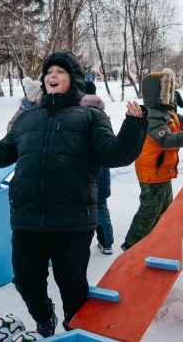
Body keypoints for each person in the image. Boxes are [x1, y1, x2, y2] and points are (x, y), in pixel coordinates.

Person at [0, 51, 148, 337]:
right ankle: (44, 314)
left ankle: (74, 329)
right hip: (28, 219)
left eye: (60, 71)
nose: (53, 75)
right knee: (25, 279)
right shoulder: (27, 119)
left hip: (72, 221)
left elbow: (114, 153)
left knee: (72, 284)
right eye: (49, 71)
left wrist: (134, 126)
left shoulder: (91, 118)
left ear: (73, 80)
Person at [122, 68, 183, 251]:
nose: (173, 95)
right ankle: (131, 245)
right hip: (152, 172)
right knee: (149, 210)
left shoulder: (167, 112)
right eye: (169, 91)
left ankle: (156, 239)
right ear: (160, 94)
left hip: (163, 171)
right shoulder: (150, 117)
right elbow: (166, 140)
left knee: (164, 209)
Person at [80, 80, 114, 255]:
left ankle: (78, 246)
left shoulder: (78, 115)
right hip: (102, 170)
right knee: (101, 206)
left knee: (80, 209)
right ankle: (106, 242)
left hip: (84, 171)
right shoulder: (102, 115)